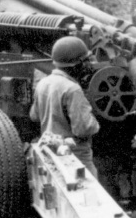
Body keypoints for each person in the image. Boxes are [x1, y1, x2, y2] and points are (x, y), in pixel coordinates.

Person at [29, 36, 101, 176]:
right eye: (85, 61)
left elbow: (34, 115)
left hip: (51, 151)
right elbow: (84, 129)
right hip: (76, 157)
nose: (88, 65)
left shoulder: (43, 83)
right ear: (77, 64)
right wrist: (93, 118)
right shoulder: (72, 89)